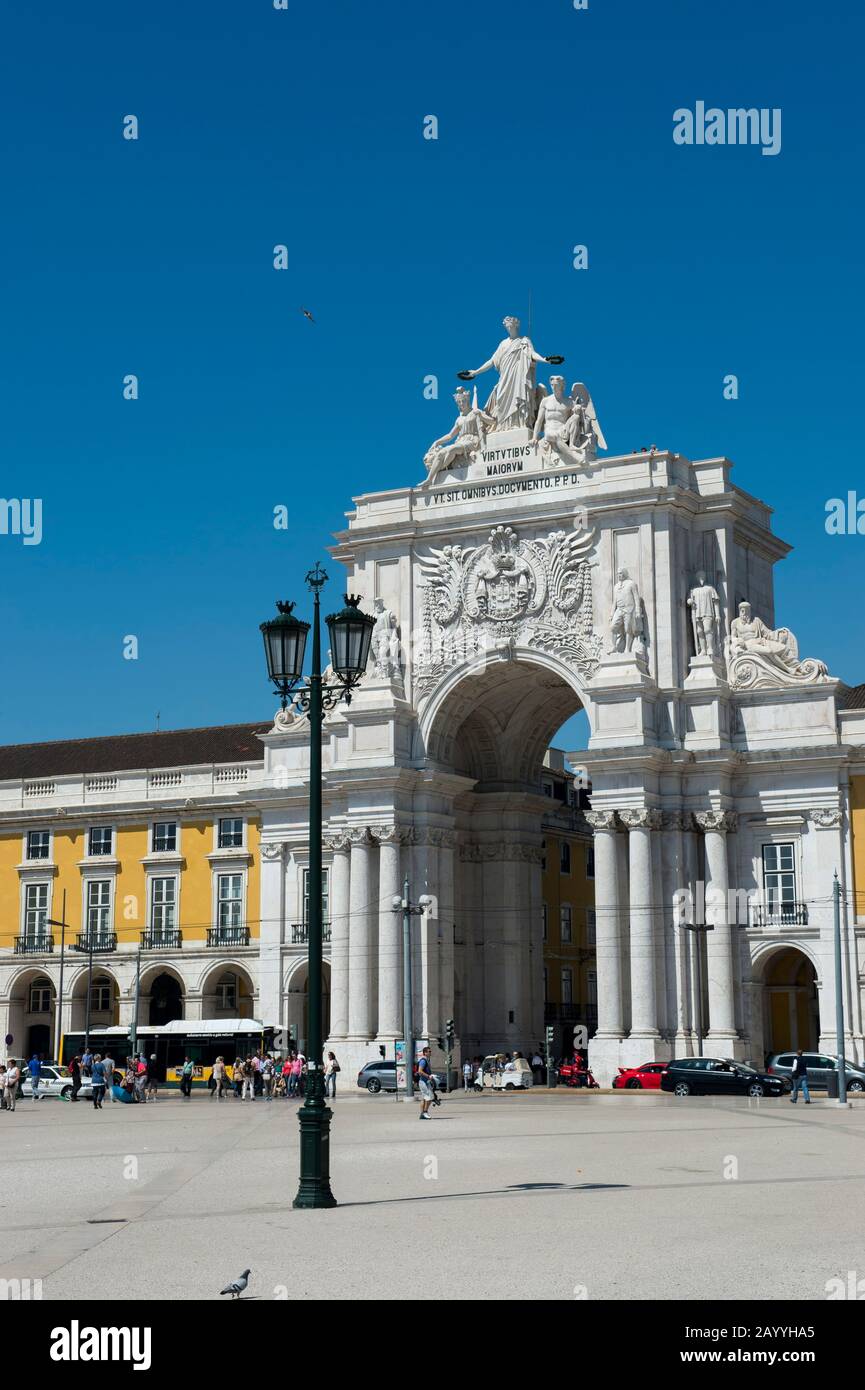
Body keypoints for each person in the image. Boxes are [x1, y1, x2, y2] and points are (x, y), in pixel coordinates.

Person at [417, 1046, 435, 1120]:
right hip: (423, 1082)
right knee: (429, 1098)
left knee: (424, 1098)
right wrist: (428, 1076)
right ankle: (425, 1112)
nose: (430, 1053)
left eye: (430, 1051)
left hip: (424, 1082)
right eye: (429, 1051)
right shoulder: (423, 1061)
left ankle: (422, 1114)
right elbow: (420, 1071)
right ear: (425, 1053)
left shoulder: (427, 1060)